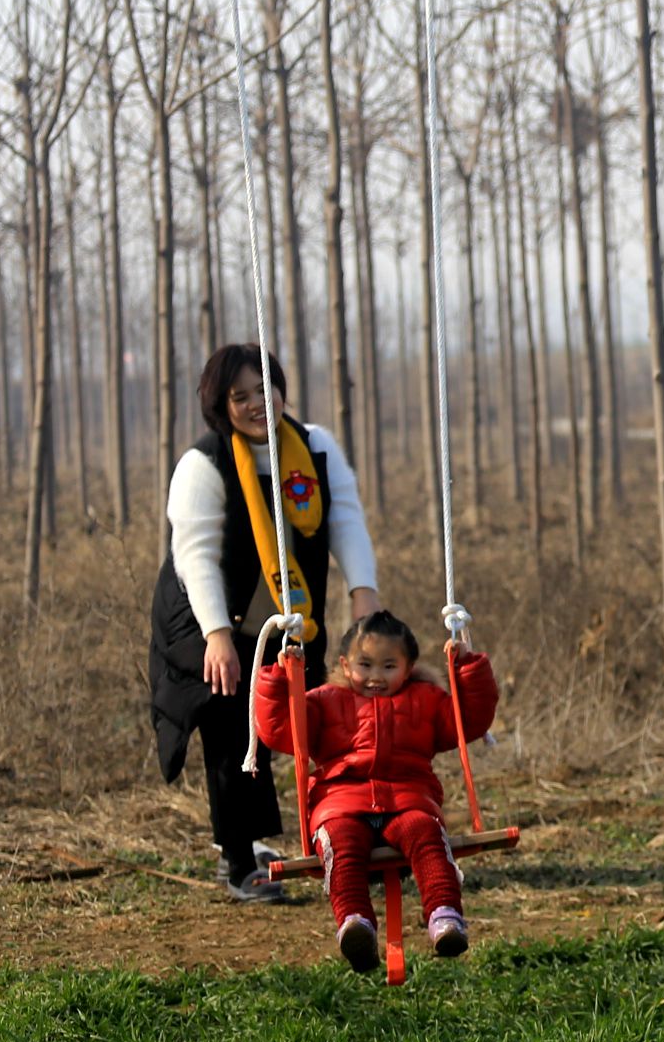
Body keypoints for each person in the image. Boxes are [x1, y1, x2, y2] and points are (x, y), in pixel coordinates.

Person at [147, 343, 380, 901]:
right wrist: (218, 637)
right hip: (209, 618)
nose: (258, 404)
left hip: (292, 618)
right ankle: (239, 858)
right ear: (219, 405)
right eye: (241, 396)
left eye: (266, 389)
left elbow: (344, 516)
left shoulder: (314, 447)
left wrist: (363, 593)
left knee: (318, 718)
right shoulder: (203, 465)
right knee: (235, 730)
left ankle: (341, 834)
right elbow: (195, 557)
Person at [253, 609, 499, 970]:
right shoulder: (323, 701)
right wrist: (279, 681)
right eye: (364, 665)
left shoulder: (427, 701)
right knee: (342, 845)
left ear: (409, 665)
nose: (375, 677)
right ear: (344, 663)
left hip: (407, 799)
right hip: (341, 805)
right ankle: (356, 925)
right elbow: (278, 730)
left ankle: (445, 918)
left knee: (427, 835)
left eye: (388, 666)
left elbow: (470, 721)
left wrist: (468, 671)